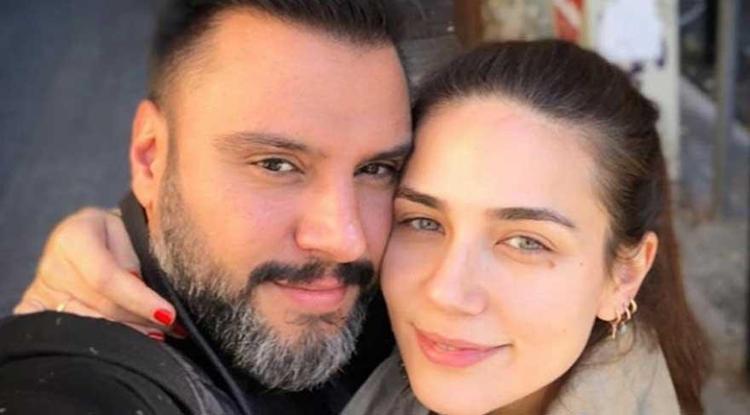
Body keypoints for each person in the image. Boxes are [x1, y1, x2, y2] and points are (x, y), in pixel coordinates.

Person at [15, 40, 710, 415]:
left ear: (624, 273)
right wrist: (134, 232)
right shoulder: (371, 331)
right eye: (423, 220)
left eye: (526, 241)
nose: (447, 291)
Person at [1, 0, 409, 413]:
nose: (345, 242)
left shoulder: (413, 309)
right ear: (150, 157)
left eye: (375, 169)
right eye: (275, 164)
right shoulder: (74, 385)